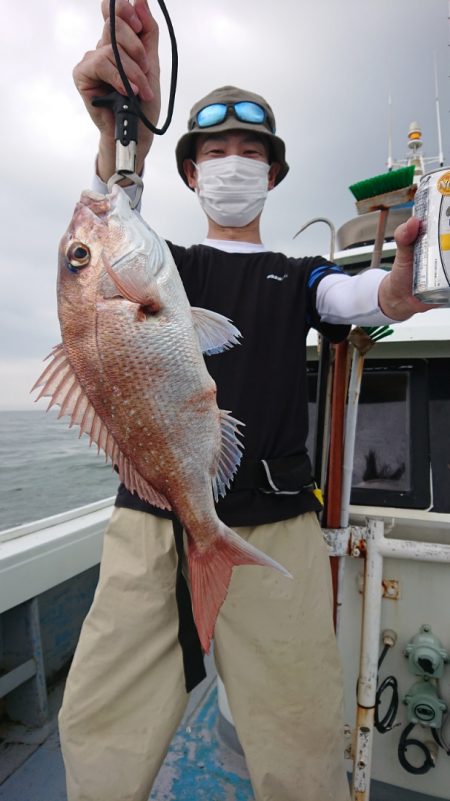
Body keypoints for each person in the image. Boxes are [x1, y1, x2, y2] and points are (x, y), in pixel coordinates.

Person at [58, 3, 436, 800]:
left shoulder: (298, 274)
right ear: (190, 172)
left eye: (251, 152)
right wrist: (116, 135)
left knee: (298, 734)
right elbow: (107, 228)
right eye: (216, 152)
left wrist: (399, 289)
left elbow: (355, 294)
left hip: (276, 527)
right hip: (150, 520)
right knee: (99, 724)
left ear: (274, 173)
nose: (233, 164)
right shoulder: (163, 265)